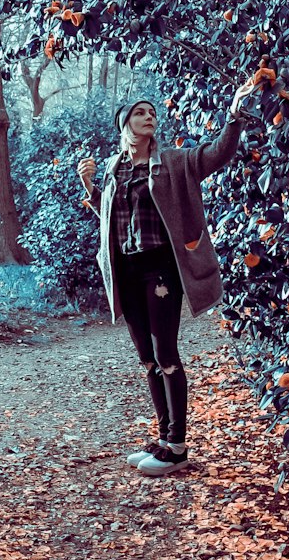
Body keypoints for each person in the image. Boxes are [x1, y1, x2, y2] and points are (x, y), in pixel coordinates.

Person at [76, 77, 259, 477]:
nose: (149, 118)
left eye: (152, 113)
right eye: (140, 113)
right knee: (147, 359)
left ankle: (177, 447)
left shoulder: (174, 162)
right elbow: (110, 222)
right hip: (126, 271)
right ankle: (164, 440)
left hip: (161, 269)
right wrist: (89, 187)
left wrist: (233, 116)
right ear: (123, 123)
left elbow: (216, 154)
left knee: (166, 355)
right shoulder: (113, 168)